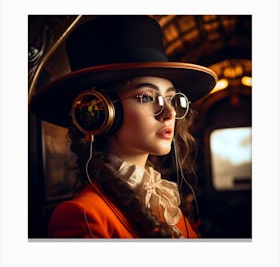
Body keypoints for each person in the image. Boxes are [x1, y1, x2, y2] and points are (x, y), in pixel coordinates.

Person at [30, 15, 217, 238]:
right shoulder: (82, 215)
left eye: (172, 98)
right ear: (101, 111)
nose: (170, 113)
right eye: (147, 97)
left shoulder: (164, 203)